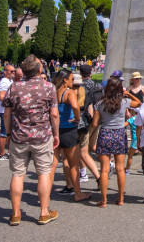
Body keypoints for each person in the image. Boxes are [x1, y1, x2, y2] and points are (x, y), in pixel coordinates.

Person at [2, 55, 60, 226]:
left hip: (19, 136)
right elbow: (54, 114)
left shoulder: (14, 87)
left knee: (18, 174)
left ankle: (15, 214)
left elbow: (7, 113)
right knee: (43, 173)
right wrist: (56, 134)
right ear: (39, 69)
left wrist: (8, 133)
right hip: (41, 136)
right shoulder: (49, 87)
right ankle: (43, 212)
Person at [91, 76, 141, 207]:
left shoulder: (99, 103)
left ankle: (103, 200)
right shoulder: (124, 102)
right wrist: (128, 94)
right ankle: (120, 199)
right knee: (120, 168)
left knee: (104, 170)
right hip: (119, 134)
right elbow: (140, 103)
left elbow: (95, 123)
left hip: (105, 133)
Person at [50, 69, 91, 202]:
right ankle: (78, 193)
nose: (73, 81)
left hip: (56, 130)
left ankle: (46, 191)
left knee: (53, 164)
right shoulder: (69, 92)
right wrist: (77, 118)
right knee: (74, 164)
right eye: (71, 79)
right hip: (68, 131)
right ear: (65, 80)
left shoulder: (54, 92)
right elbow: (75, 106)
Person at [73, 73, 100, 185]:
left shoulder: (68, 93)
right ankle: (98, 178)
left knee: (69, 156)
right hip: (84, 125)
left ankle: (72, 184)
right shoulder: (87, 92)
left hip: (72, 126)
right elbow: (90, 110)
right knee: (84, 153)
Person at [0, 64, 15, 160]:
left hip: (8, 110)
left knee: (8, 132)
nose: (13, 73)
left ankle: (8, 152)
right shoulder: (4, 81)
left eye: (13, 71)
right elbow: (1, 97)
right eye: (11, 71)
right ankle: (1, 154)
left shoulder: (10, 81)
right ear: (5, 72)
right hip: (4, 111)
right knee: (3, 132)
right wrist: (13, 102)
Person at [124, 108, 138, 174]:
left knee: (130, 156)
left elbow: (123, 125)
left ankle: (127, 170)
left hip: (135, 139)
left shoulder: (132, 119)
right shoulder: (141, 118)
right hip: (142, 138)